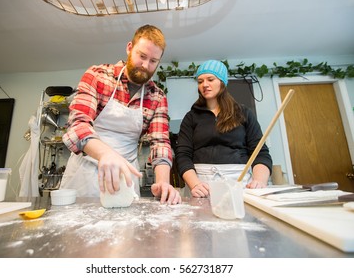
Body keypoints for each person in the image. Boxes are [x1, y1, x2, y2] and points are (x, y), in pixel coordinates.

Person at [60, 24, 181, 205]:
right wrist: (106, 154)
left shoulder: (157, 97)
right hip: (84, 174)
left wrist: (163, 182)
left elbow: (160, 143)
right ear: (129, 48)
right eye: (142, 56)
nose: (146, 65)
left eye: (153, 61)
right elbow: (78, 125)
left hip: (126, 177)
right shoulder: (97, 76)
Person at [176, 60, 272, 198]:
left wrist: (259, 181)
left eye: (210, 79)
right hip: (201, 186)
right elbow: (183, 155)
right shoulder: (191, 117)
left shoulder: (243, 113)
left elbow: (260, 153)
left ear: (222, 82)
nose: (205, 85)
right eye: (200, 81)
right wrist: (195, 184)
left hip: (239, 184)